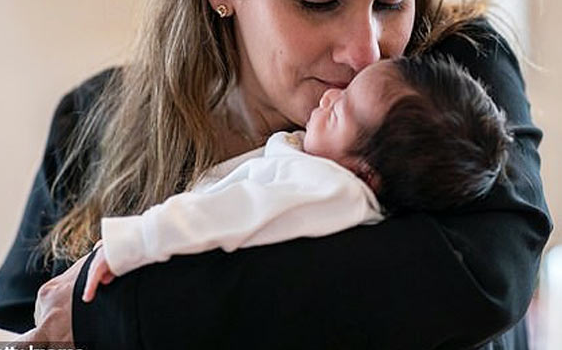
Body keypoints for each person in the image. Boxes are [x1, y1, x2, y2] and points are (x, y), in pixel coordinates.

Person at [0, 0, 552, 350]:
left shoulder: (452, 81)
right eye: (319, 2)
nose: (366, 53)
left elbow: (480, 279)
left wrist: (119, 317)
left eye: (393, 1)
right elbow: (6, 339)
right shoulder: (96, 118)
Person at [76, 55, 514, 301]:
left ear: (365, 172)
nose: (329, 94)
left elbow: (229, 213)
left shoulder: (332, 192)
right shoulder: (325, 173)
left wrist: (137, 240)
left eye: (341, 110)